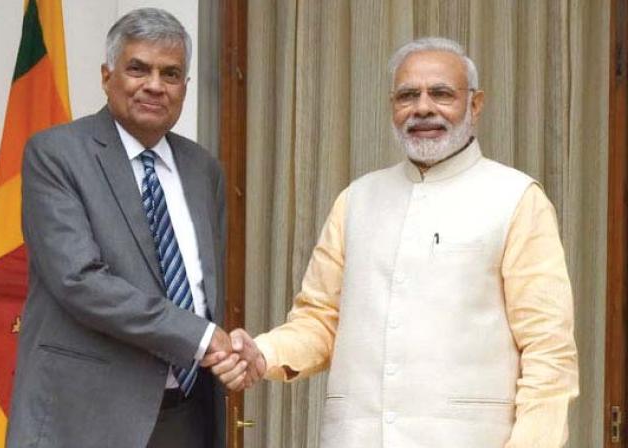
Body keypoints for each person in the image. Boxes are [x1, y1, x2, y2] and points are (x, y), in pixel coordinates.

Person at [211, 37, 579, 447]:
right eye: (408, 95)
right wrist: (263, 354)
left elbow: (549, 352)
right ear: (392, 107)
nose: (423, 107)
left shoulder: (515, 198)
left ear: (475, 105)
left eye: (441, 93)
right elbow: (319, 319)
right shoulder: (358, 199)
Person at [6, 8, 232, 448]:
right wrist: (200, 337)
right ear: (107, 75)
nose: (154, 85)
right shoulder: (57, 155)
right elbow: (80, 281)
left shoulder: (203, 169)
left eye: (170, 74)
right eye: (138, 69)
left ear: (185, 88)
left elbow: (204, 289)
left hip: (187, 416)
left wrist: (226, 349)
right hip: (87, 417)